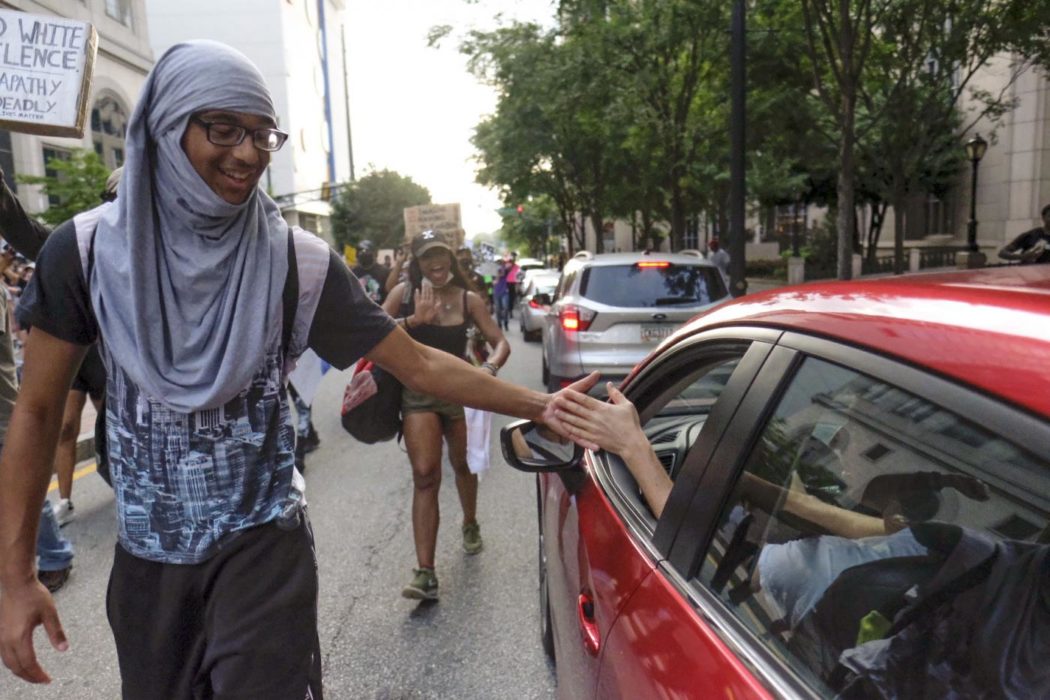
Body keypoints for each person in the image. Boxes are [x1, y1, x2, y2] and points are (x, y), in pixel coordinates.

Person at [0, 41, 595, 695]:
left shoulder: (295, 260)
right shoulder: (85, 253)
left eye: (262, 134)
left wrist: (544, 405)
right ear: (167, 126)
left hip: (264, 556)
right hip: (148, 569)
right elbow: (37, 412)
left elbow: (421, 363)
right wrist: (15, 577)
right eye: (223, 129)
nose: (248, 153)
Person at [382, 230, 510, 600]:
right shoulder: (403, 294)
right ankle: (426, 572)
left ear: (450, 258)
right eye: (427, 257)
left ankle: (470, 522)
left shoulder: (469, 299)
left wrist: (489, 369)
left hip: (460, 393)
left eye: (440, 255)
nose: (435, 263)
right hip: (417, 395)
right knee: (425, 474)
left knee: (463, 464)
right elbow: (371, 333)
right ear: (417, 263)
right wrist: (413, 321)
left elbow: (500, 342)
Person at [0, 164, 120, 526]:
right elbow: (32, 235)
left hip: (133, 385)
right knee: (66, 425)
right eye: (114, 201)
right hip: (86, 359)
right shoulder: (85, 246)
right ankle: (65, 500)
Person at [351, 238, 391, 305]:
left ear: (374, 253)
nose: (364, 253)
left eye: (367, 251)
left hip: (380, 308)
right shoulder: (352, 273)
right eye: (361, 252)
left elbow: (389, 292)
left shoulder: (385, 272)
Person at [492, 258, 511, 331]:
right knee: (498, 310)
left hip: (504, 292)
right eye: (498, 264)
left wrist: (498, 275)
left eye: (501, 264)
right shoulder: (492, 272)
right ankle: (499, 324)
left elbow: (503, 272)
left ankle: (506, 322)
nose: (500, 265)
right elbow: (489, 282)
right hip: (496, 293)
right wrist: (492, 282)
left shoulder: (504, 270)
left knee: (505, 308)